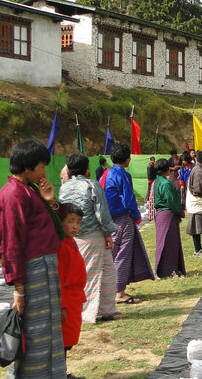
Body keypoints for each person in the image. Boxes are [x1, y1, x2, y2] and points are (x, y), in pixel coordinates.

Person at [0, 139, 66, 377]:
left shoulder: (29, 189)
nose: (44, 172)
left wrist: (49, 201)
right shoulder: (14, 194)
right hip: (33, 270)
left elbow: (51, 224)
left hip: (45, 268)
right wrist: (19, 288)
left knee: (48, 328)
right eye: (42, 167)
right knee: (35, 331)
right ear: (27, 167)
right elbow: (12, 244)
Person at [58, 153, 121, 323]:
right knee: (90, 274)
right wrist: (108, 232)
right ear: (87, 168)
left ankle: (107, 309)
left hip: (74, 235)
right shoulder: (92, 185)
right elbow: (101, 211)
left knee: (108, 270)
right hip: (92, 234)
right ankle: (85, 312)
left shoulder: (64, 187)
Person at [103, 143, 154, 304]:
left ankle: (108, 289)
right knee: (122, 255)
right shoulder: (122, 175)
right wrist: (136, 216)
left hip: (108, 218)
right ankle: (119, 293)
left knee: (112, 253)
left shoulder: (106, 173)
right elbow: (128, 199)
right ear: (127, 159)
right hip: (122, 217)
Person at [57, 204, 86, 379]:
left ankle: (62, 372)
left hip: (74, 300)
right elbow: (59, 277)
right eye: (70, 221)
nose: (75, 226)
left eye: (78, 222)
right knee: (62, 341)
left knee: (68, 341)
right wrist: (62, 305)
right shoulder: (60, 246)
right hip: (66, 301)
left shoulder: (70, 242)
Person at [151, 158, 186, 277]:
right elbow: (172, 201)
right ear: (167, 170)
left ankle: (166, 269)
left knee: (164, 242)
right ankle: (168, 270)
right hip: (167, 214)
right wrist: (180, 211)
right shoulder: (165, 183)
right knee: (169, 243)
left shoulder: (157, 181)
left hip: (161, 214)